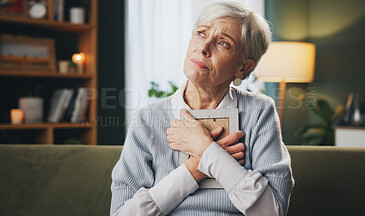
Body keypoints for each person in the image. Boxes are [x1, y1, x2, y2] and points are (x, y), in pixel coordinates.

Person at [110, 2, 294, 215]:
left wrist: (206, 149)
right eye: (201, 33)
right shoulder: (147, 119)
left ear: (243, 68)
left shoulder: (259, 112)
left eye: (223, 43)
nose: (203, 48)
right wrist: (196, 168)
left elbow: (272, 211)